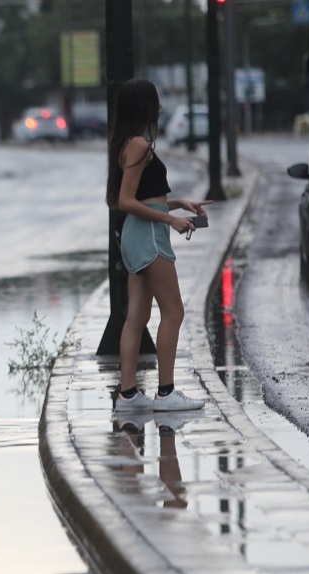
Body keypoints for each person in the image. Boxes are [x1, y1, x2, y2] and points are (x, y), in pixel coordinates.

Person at [107, 79, 209, 412]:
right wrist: (169, 219)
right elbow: (125, 200)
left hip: (138, 233)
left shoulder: (127, 143)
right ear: (144, 106)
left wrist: (179, 204)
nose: (160, 107)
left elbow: (145, 196)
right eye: (156, 101)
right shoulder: (138, 145)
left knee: (137, 316)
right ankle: (166, 393)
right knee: (174, 311)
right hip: (149, 235)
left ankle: (128, 395)